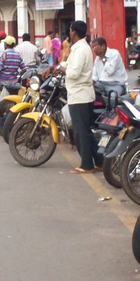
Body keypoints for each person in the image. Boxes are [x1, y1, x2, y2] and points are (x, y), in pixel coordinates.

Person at [53, 20, 96, 174]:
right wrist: (58, 66)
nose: (69, 33)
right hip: (81, 94)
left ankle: (86, 164)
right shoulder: (79, 48)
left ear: (74, 32)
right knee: (85, 131)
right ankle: (98, 161)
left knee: (80, 132)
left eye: (70, 31)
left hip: (80, 96)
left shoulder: (81, 49)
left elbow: (73, 72)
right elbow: (68, 63)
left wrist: (62, 69)